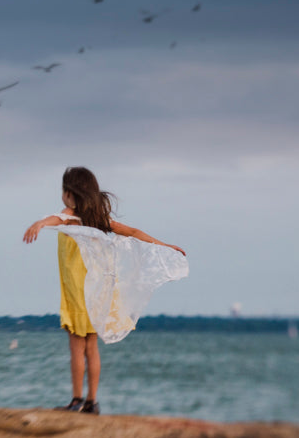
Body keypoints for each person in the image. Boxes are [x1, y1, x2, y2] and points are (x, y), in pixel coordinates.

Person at [23, 167, 187, 415]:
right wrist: (164, 245)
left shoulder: (70, 215)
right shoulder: (99, 220)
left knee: (77, 348)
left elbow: (57, 219)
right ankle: (92, 402)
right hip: (99, 293)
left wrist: (40, 222)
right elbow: (133, 232)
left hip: (79, 294)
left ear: (69, 194)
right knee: (92, 347)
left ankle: (77, 400)